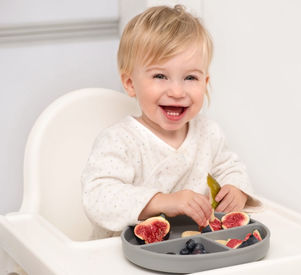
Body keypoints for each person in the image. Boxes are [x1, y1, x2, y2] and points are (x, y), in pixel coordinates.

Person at [81, 5, 260, 239]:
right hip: (121, 255)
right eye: (160, 76)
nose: (177, 91)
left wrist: (236, 189)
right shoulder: (119, 140)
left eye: (190, 77)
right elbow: (98, 196)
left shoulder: (208, 133)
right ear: (130, 83)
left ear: (205, 82)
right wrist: (162, 202)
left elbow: (230, 168)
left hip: (192, 250)